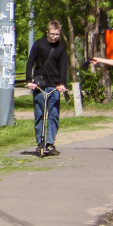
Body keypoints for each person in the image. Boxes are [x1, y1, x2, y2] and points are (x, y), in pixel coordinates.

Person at [24, 21, 69, 157]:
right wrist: (29, 81)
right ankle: (40, 142)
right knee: (40, 115)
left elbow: (63, 67)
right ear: (47, 32)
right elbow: (30, 62)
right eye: (52, 34)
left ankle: (50, 143)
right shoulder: (39, 44)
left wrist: (62, 84)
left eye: (57, 34)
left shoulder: (61, 47)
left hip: (54, 85)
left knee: (53, 115)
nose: (55, 37)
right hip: (40, 84)